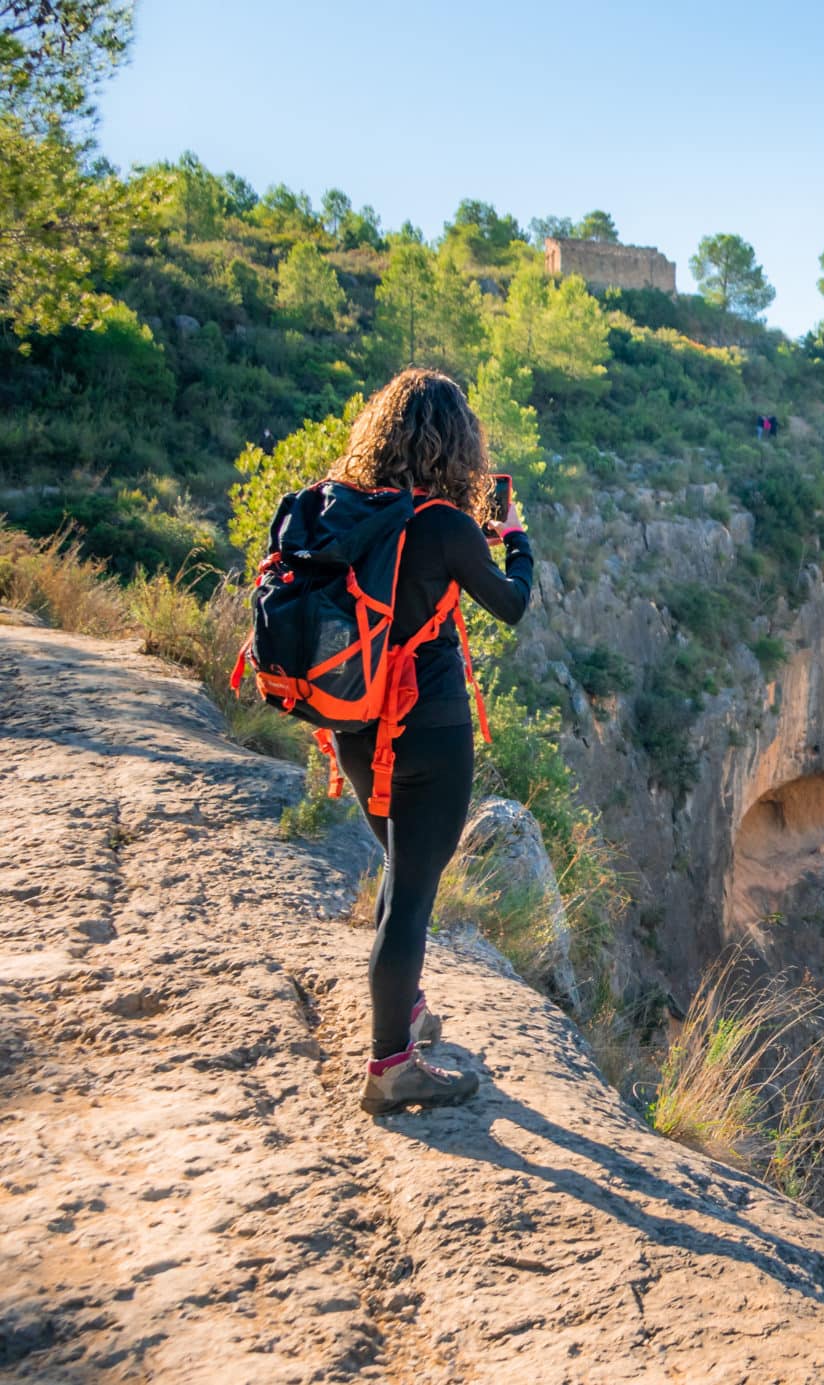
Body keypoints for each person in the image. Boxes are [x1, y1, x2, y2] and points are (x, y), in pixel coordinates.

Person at [323, 368, 536, 1115]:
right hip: (429, 729)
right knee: (411, 895)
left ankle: (405, 1013)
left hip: (355, 728)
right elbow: (509, 606)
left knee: (398, 872)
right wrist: (516, 541)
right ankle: (392, 1067)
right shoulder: (445, 523)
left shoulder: (348, 508)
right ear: (460, 447)